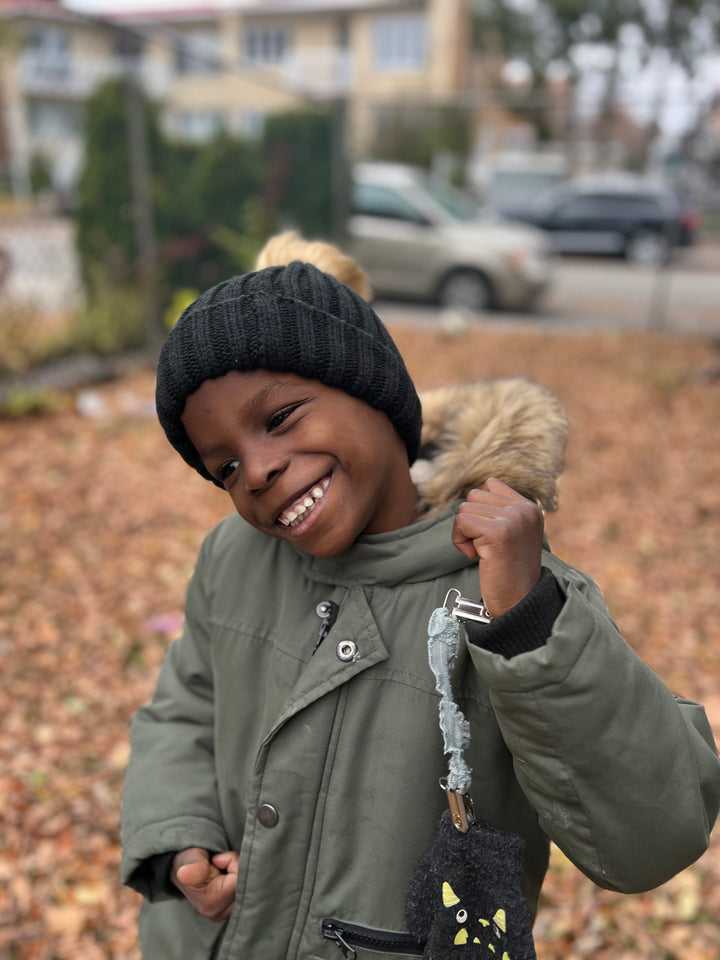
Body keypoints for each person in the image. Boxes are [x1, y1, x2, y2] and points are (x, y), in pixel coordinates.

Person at [121, 234, 720, 960]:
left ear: (372, 385)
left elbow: (651, 838)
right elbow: (185, 706)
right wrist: (180, 832)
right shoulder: (234, 557)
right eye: (225, 466)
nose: (259, 470)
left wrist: (528, 625)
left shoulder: (509, 595)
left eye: (279, 419)